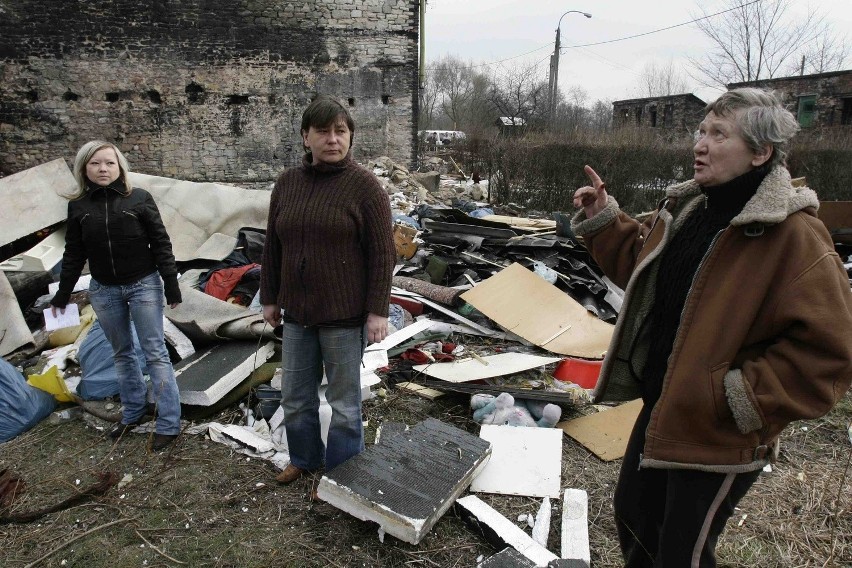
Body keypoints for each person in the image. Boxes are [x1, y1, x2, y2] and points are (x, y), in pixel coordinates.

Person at [571, 88, 852, 567]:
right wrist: (602, 220)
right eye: (701, 131)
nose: (700, 144)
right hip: (666, 405)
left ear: (760, 152)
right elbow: (645, 270)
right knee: (635, 518)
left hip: (721, 430)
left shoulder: (794, 236)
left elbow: (830, 350)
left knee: (684, 552)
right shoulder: (691, 210)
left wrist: (735, 398)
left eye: (719, 134)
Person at [260, 95, 395, 485]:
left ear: (351, 137)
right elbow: (274, 246)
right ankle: (304, 458)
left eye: (341, 131)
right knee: (296, 397)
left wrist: (377, 311)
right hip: (299, 315)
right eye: (323, 131)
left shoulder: (364, 187)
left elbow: (383, 255)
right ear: (306, 137)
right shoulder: (288, 184)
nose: (332, 139)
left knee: (344, 403)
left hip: (344, 315)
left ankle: (342, 474)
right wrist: (270, 297)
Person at [50, 141, 183, 452]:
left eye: (109, 163)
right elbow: (73, 254)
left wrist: (171, 284)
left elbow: (161, 242)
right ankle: (133, 413)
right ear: (84, 168)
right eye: (95, 164)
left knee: (154, 352)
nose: (103, 169)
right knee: (122, 354)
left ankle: (169, 424)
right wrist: (62, 294)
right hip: (104, 290)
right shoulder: (79, 207)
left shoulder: (139, 199)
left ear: (120, 166)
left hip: (143, 284)